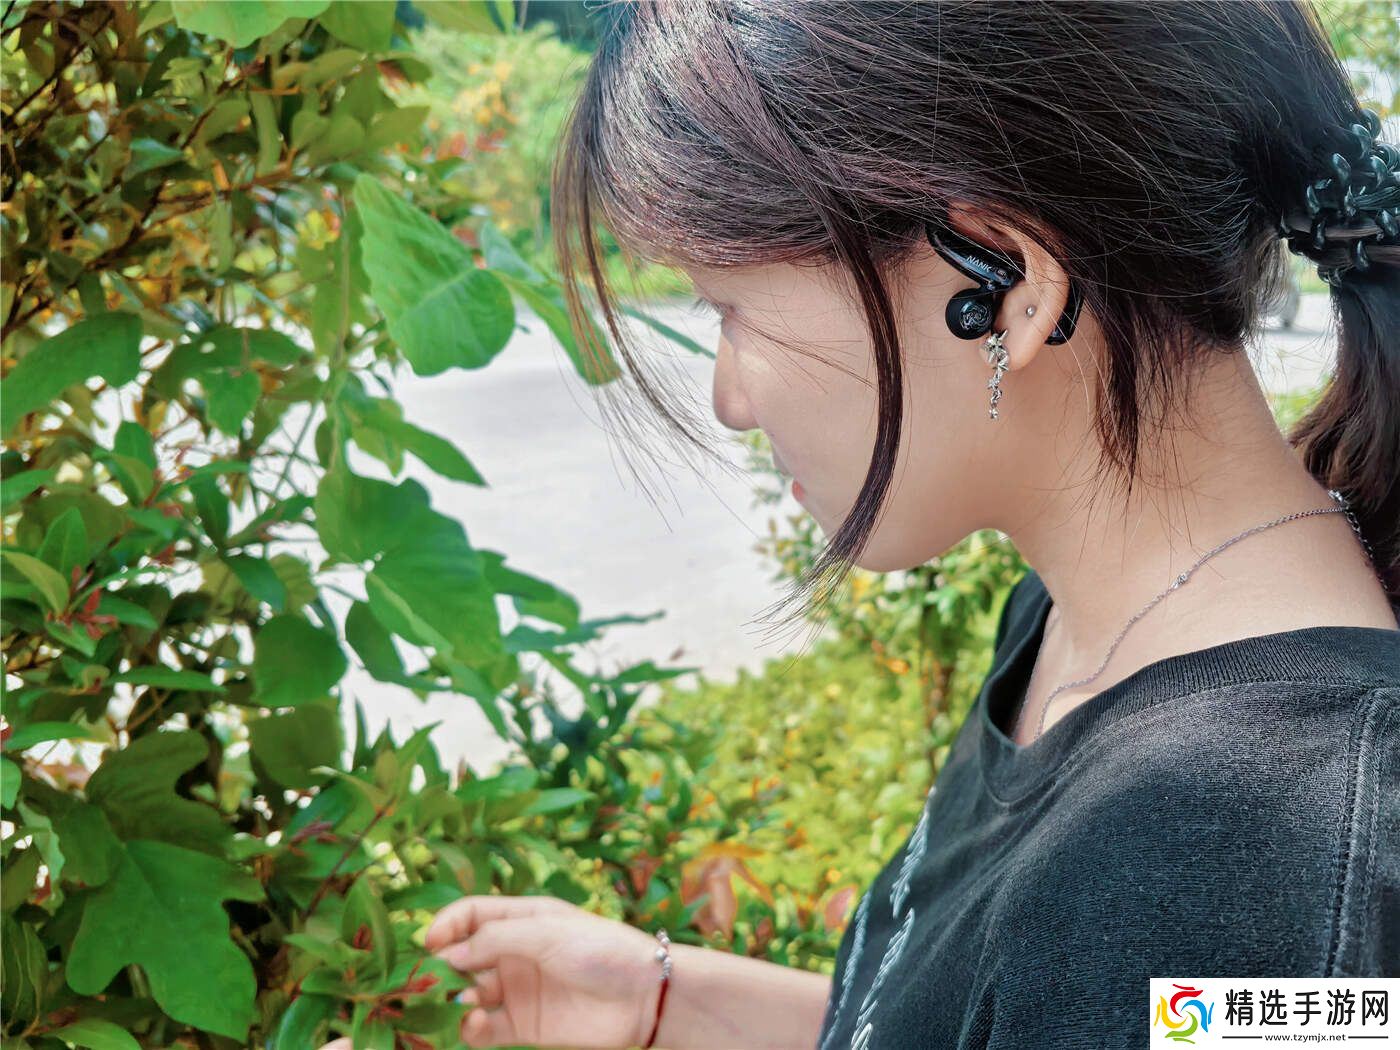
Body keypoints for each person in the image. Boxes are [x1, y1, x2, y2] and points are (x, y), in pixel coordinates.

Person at [324, 1, 1400, 1047]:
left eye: (730, 310)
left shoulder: (1262, 863)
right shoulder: (1087, 619)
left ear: (1005, 286)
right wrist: (666, 1003)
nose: (728, 398)